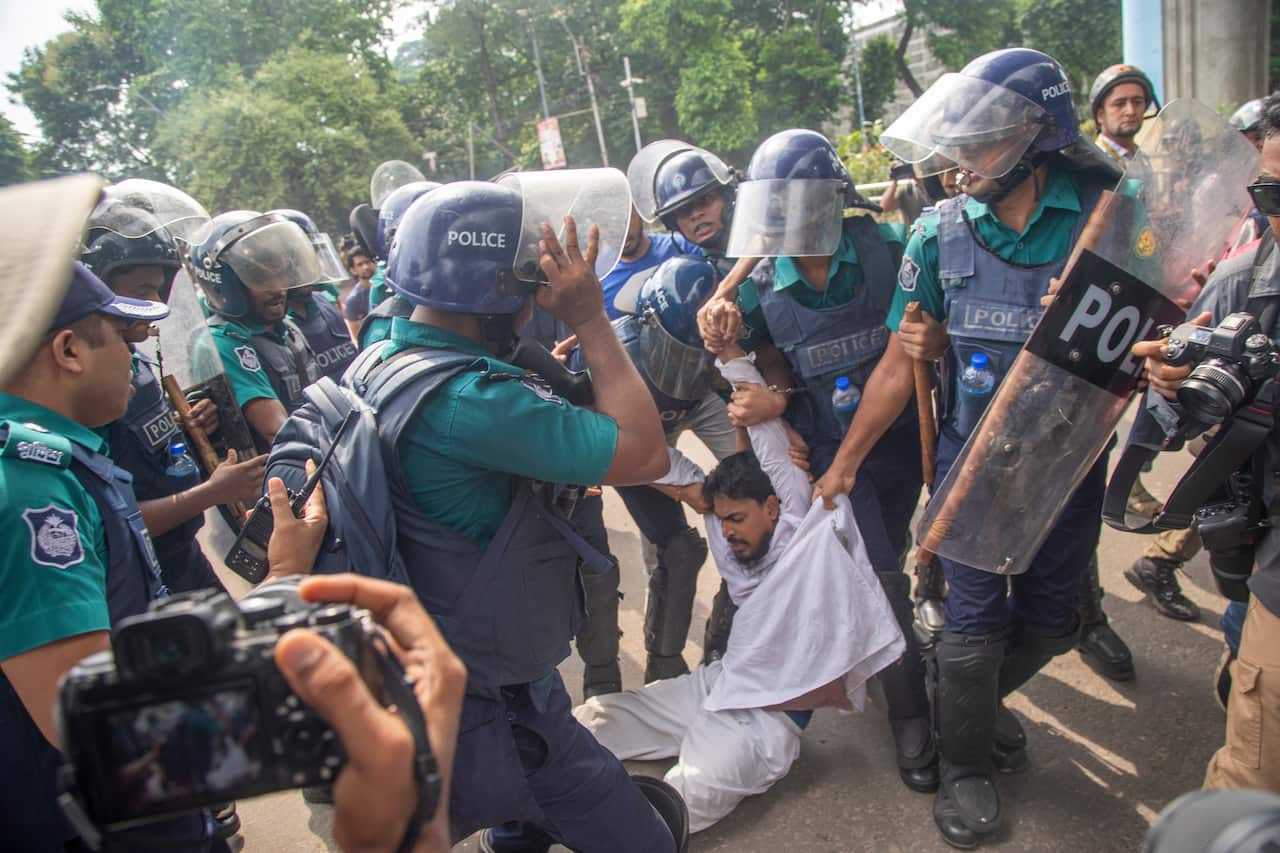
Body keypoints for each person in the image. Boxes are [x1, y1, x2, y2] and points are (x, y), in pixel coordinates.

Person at [337, 178, 686, 851]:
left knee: (516, 823)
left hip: (446, 666)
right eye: (529, 283)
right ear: (496, 294)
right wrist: (589, 316)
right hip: (507, 701)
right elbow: (645, 452)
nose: (536, 300)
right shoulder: (474, 400)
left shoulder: (382, 357)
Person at [853, 48, 1127, 845]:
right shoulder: (935, 235)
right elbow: (899, 365)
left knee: (1053, 615)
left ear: (1037, 138)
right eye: (955, 141)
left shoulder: (1109, 218)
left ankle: (961, 706)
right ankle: (964, 765)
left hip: (1071, 468)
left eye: (978, 141)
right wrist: (849, 457)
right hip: (977, 468)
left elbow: (1157, 334)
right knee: (973, 620)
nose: (956, 159)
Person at [575, 338, 905, 832]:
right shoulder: (718, 517)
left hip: (766, 722)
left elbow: (765, 433)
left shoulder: (802, 521)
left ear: (772, 509)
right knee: (592, 721)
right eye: (721, 518)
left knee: (681, 798)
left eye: (738, 519)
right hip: (719, 684)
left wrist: (729, 351)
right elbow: (650, 458)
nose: (727, 532)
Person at [711, 128, 937, 796]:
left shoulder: (889, 248)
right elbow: (774, 361)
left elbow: (928, 324)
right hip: (834, 448)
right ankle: (912, 713)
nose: (788, 225)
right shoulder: (757, 287)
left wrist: (937, 337)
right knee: (879, 568)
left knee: (899, 545)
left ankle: (912, 656)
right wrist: (775, 394)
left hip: (906, 436)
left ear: (833, 201)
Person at [0, 261, 226, 851]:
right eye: (121, 336)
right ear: (69, 349)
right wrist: (285, 579)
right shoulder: (29, 488)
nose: (136, 356)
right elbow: (82, 714)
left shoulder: (59, 459)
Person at [1136, 91, 1280, 793]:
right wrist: (1167, 378)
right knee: (1254, 780)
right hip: (1272, 558)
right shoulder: (1242, 282)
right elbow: (1180, 372)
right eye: (1274, 192)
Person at [82, 182, 267, 593]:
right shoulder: (88, 390)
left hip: (185, 558)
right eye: (142, 291)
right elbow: (113, 518)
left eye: (160, 289)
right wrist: (211, 493)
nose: (155, 303)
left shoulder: (140, 365)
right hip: (144, 575)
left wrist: (190, 423)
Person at [189, 210, 323, 450]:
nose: (278, 287)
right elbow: (278, 431)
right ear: (227, 285)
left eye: (281, 273)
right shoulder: (223, 342)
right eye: (260, 277)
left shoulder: (287, 328)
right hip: (281, 474)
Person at [271, 209, 360, 384]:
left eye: (311, 258)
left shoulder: (324, 302)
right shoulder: (274, 324)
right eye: (299, 260)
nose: (308, 269)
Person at [598, 205, 685, 319]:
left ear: (640, 214)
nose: (618, 230)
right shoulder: (599, 276)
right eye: (606, 224)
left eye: (624, 219)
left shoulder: (682, 246)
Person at [1090, 63, 1160, 167]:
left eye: (1137, 102)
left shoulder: (1141, 158)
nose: (1131, 111)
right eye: (1120, 104)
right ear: (1100, 115)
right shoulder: (1093, 162)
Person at [342, 245, 377, 339]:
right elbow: (358, 336)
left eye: (367, 262)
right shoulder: (353, 301)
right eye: (360, 264)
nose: (365, 267)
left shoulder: (388, 286)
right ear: (353, 270)